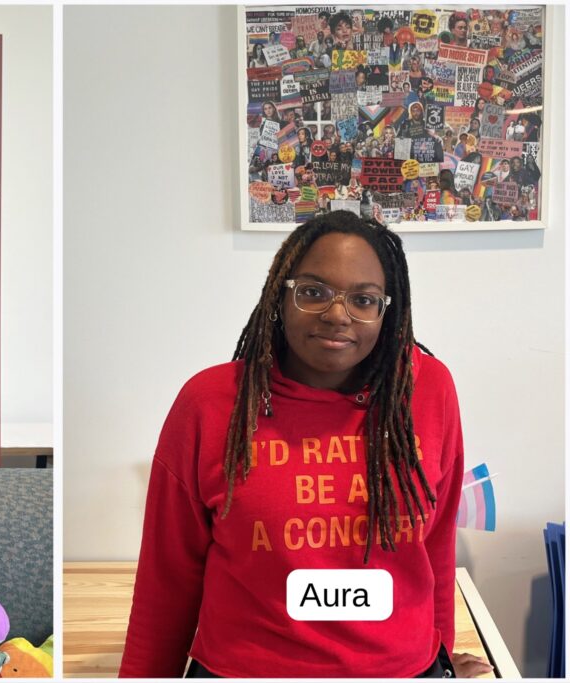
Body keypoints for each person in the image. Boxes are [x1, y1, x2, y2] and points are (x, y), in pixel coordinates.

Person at [118, 212, 493, 679]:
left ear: (386, 311)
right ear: (281, 295)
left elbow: (435, 546)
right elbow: (166, 581)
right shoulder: (211, 404)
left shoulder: (427, 390)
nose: (338, 315)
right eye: (314, 292)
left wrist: (439, 651)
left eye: (364, 299)